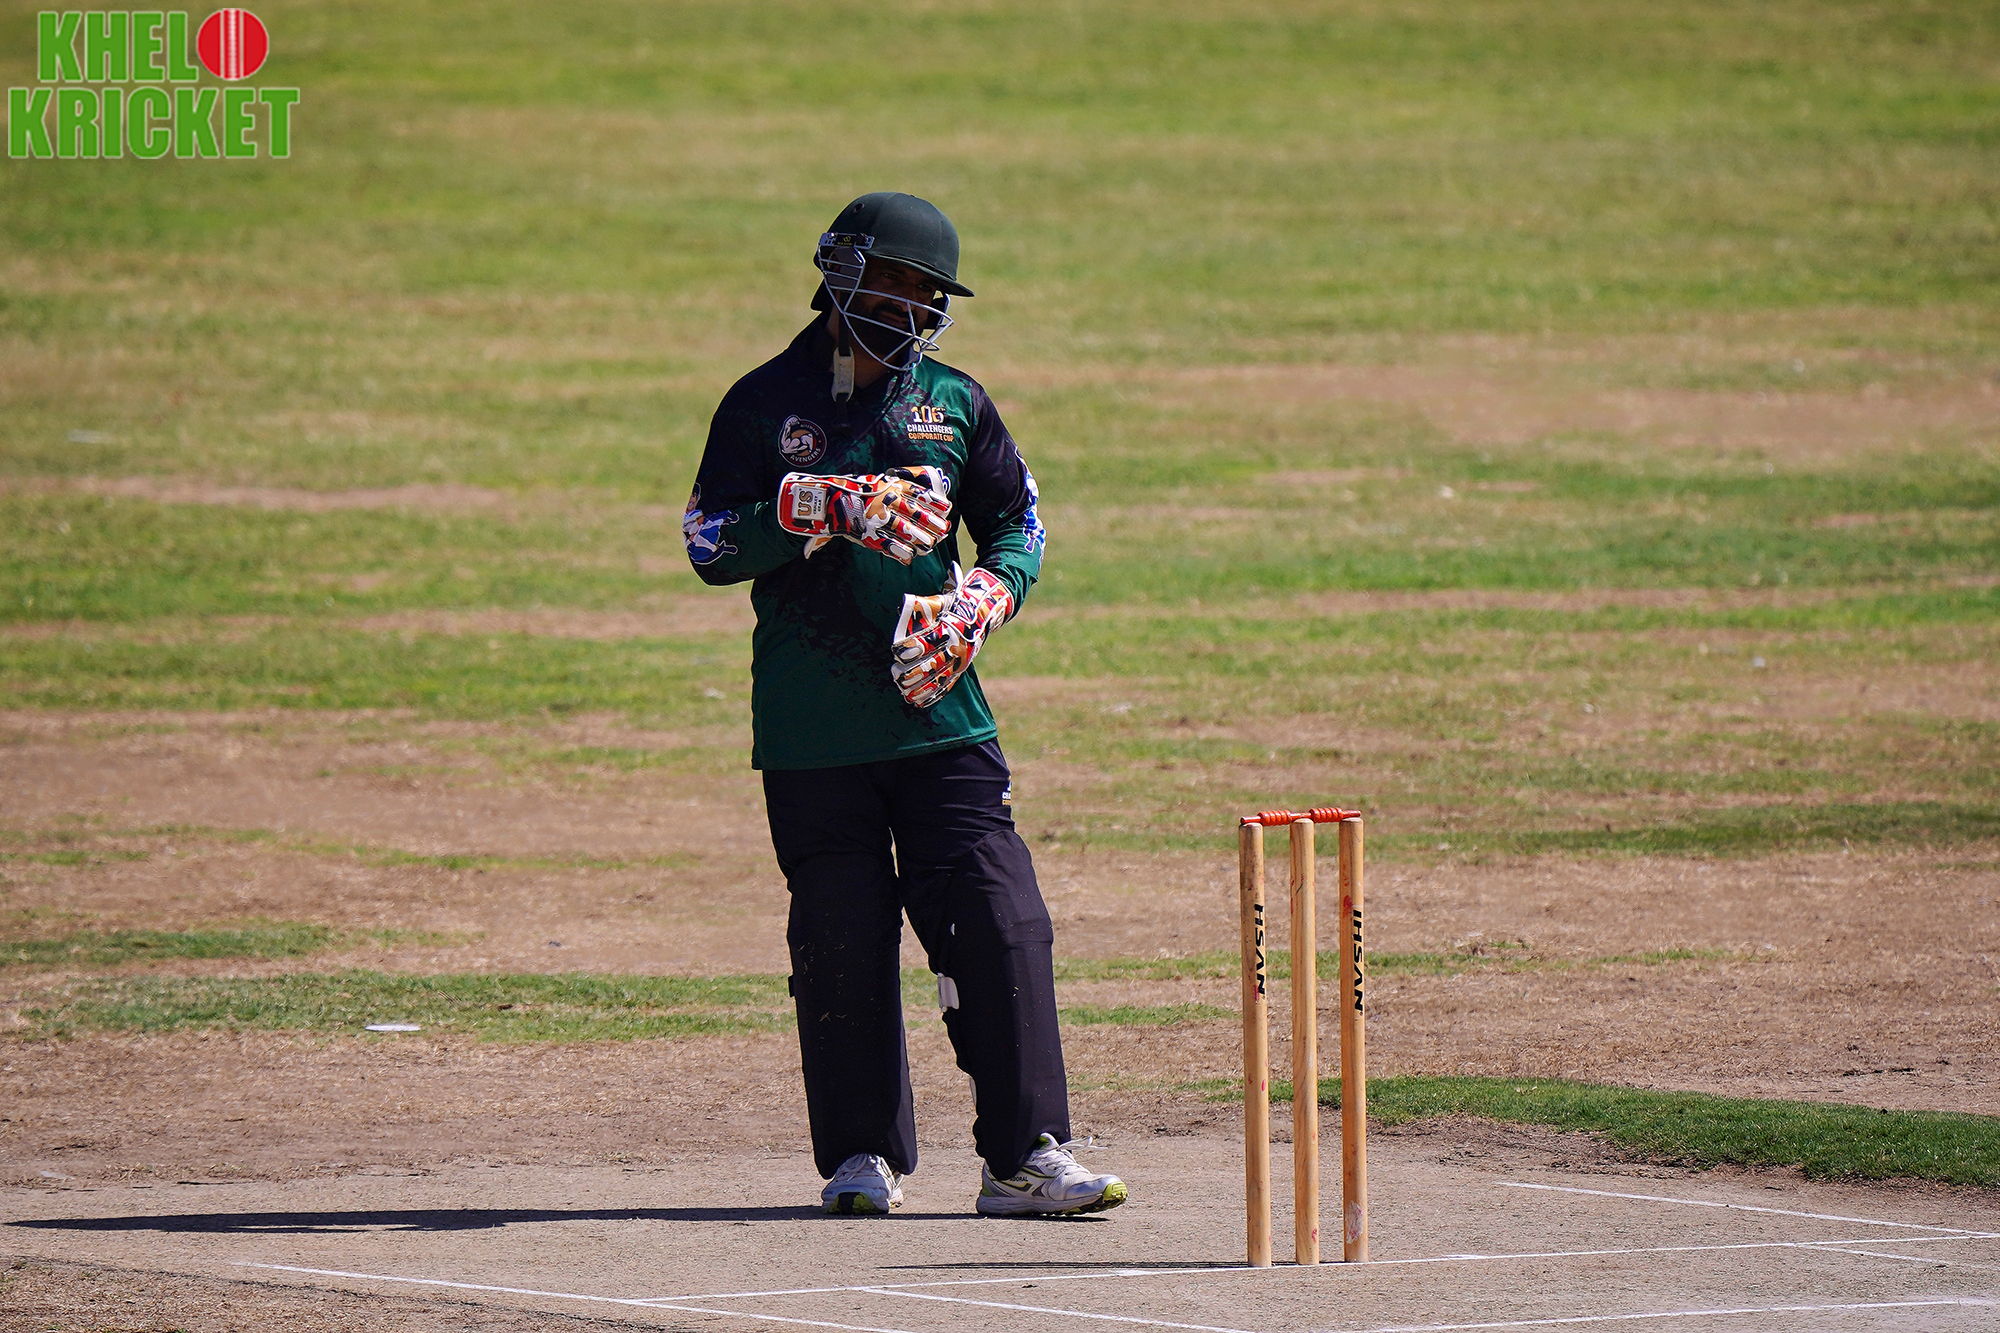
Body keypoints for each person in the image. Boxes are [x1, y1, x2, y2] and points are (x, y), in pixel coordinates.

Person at [683, 192, 1126, 1218]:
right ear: (840, 276)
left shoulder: (954, 402)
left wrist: (981, 602)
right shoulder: (762, 403)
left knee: (1000, 919)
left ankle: (1025, 1156)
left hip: (940, 719)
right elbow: (708, 541)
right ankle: (860, 1155)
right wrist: (817, 506)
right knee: (839, 935)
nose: (911, 309)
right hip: (811, 729)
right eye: (892, 285)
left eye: (928, 294)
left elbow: (1019, 523)